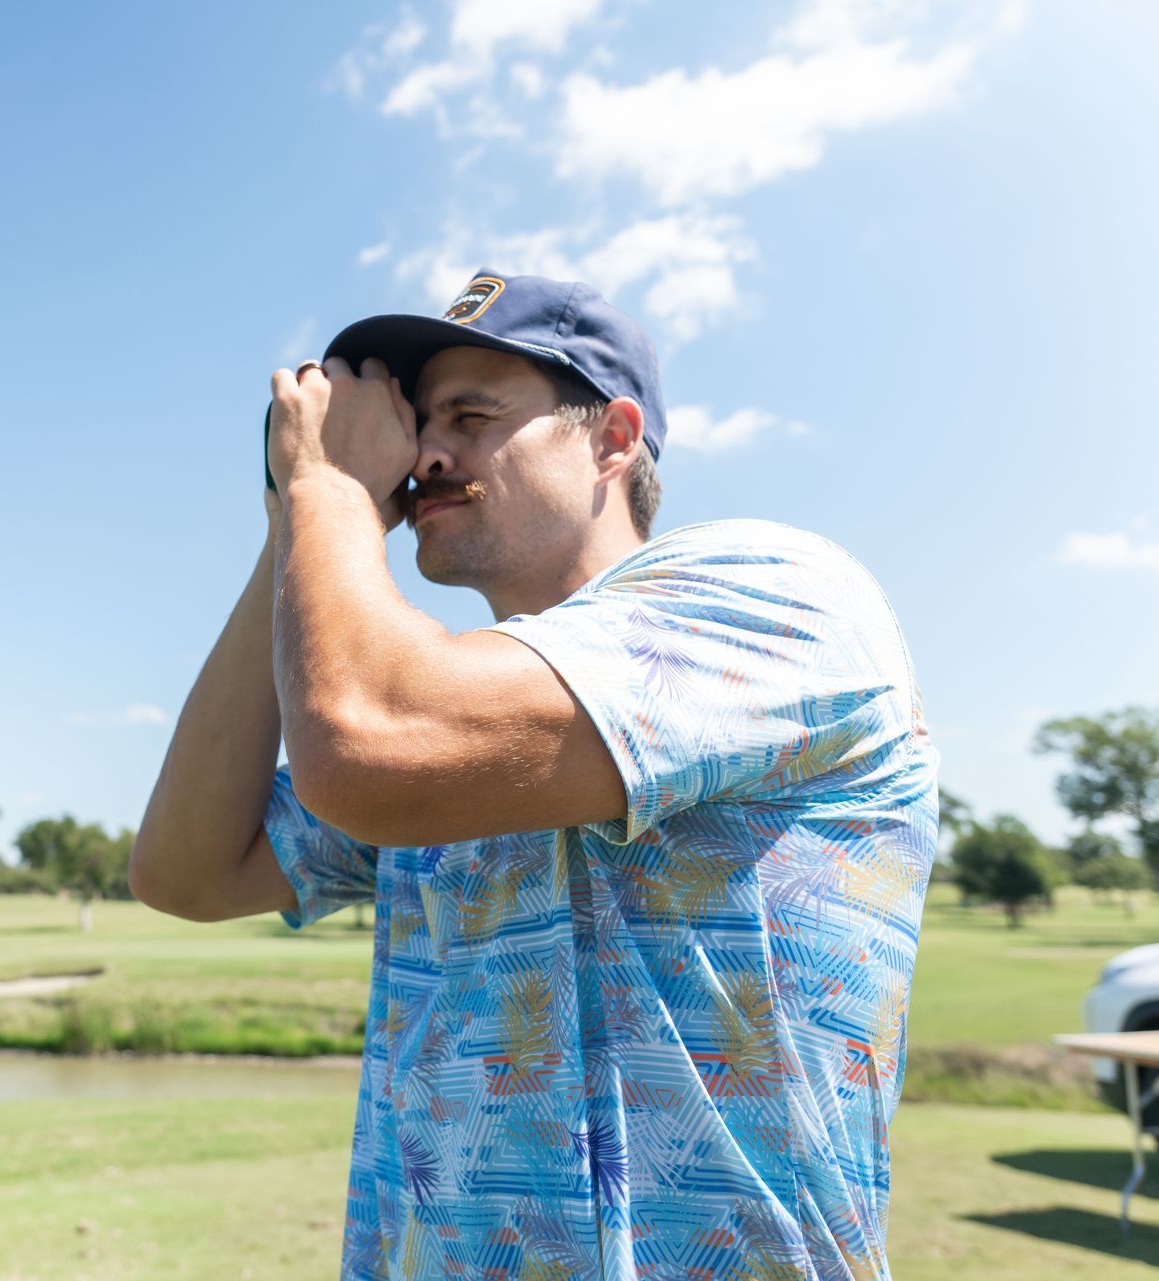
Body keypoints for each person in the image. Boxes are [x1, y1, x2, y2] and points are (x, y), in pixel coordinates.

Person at [130, 270, 938, 1280]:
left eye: (471, 415)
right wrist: (291, 523)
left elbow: (367, 742)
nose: (422, 456)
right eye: (414, 428)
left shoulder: (777, 597)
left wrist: (328, 491)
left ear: (613, 437)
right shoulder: (446, 729)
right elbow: (186, 872)